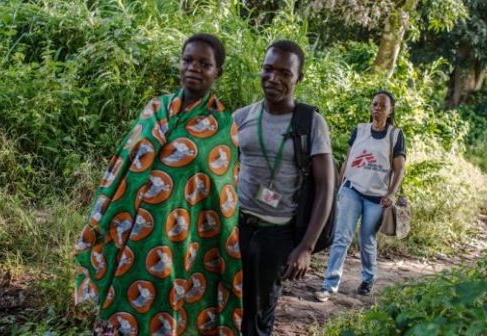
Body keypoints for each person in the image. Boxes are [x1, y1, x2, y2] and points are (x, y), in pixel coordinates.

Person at [73, 33, 242, 336]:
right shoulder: (155, 109)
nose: (194, 68)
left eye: (205, 64)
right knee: (125, 290)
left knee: (168, 295)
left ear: (218, 72)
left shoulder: (222, 126)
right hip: (132, 227)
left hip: (181, 234)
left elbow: (221, 196)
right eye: (188, 60)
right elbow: (122, 167)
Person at [233, 40, 335, 335]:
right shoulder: (241, 118)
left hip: (277, 234)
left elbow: (326, 186)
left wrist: (305, 247)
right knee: (228, 305)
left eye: (284, 73)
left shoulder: (311, 123)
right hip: (237, 227)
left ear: (298, 78)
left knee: (259, 315)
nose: (273, 78)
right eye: (268, 69)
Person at [314, 90, 406, 302]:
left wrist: (391, 193)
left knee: (367, 239)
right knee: (341, 237)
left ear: (390, 110)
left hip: (377, 197)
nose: (377, 109)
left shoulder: (395, 135)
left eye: (382, 106)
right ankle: (329, 284)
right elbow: (348, 159)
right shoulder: (360, 130)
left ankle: (368, 277)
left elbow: (399, 169)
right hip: (352, 189)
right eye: (374, 104)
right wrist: (338, 185)